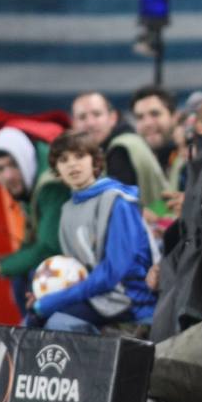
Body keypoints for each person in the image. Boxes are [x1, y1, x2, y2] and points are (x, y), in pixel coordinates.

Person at [26, 131, 157, 333]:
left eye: (80, 156)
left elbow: (113, 273)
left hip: (130, 299)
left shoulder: (118, 201)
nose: (72, 164)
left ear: (95, 162)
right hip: (95, 294)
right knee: (32, 319)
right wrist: (47, 293)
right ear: (56, 169)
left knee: (58, 323)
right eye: (63, 160)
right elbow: (75, 270)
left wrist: (56, 300)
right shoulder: (67, 209)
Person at [0, 127, 70, 314]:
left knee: (34, 277)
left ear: (25, 159)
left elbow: (47, 247)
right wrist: (0, 263)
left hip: (82, 272)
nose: (8, 176)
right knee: (20, 278)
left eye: (13, 165)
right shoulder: (30, 182)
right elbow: (33, 241)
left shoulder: (50, 185)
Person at [71, 91, 170, 210]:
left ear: (113, 118)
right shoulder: (120, 145)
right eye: (82, 117)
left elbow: (118, 209)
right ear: (73, 124)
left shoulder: (120, 150)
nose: (90, 123)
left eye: (97, 114)